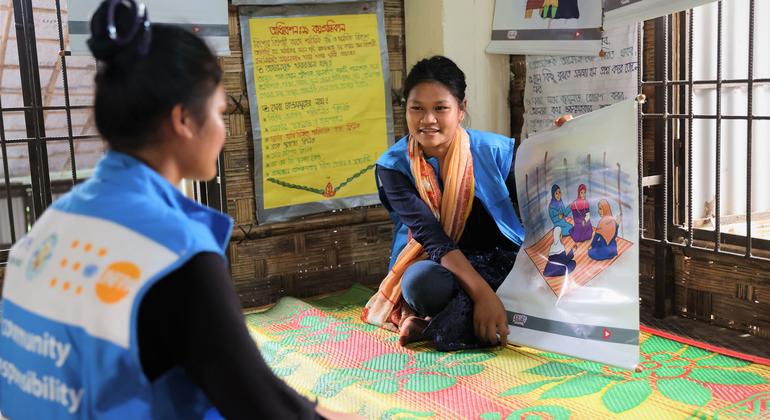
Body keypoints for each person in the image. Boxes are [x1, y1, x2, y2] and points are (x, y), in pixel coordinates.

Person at [0, 2, 356, 419]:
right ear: (185, 119)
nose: (223, 130)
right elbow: (262, 407)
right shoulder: (175, 253)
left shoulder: (53, 225)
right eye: (221, 113)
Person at [361, 56, 526, 351]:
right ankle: (468, 314)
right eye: (417, 109)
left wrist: (561, 138)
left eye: (440, 108)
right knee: (419, 283)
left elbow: (542, 189)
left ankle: (429, 325)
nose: (428, 120)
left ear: (461, 109)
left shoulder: (494, 150)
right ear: (406, 110)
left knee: (536, 274)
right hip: (441, 265)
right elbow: (433, 239)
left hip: (500, 260)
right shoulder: (393, 166)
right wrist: (483, 294)